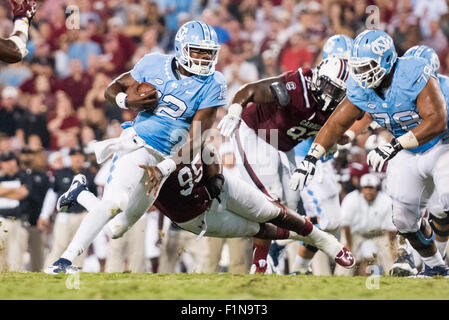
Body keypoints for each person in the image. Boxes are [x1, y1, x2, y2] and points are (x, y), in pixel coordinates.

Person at [45, 21, 227, 274]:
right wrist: (126, 100)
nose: (205, 57)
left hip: (165, 158)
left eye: (209, 52)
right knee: (114, 202)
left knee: (117, 229)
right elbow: (113, 88)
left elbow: (197, 138)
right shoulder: (154, 63)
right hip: (138, 144)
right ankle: (63, 262)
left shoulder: (213, 82)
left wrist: (164, 168)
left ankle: (81, 193)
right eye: (198, 50)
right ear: (181, 48)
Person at [291, 30, 449, 277]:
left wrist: (394, 145)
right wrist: (311, 158)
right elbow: (335, 123)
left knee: (446, 199)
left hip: (441, 144)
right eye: (358, 68)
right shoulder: (363, 87)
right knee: (405, 220)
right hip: (408, 150)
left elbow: (437, 121)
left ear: (387, 60)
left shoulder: (413, 72)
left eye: (367, 67)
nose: (362, 74)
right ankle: (435, 266)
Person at [217, 56, 349, 273]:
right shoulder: (297, 86)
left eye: (336, 91)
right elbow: (250, 89)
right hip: (255, 133)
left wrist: (334, 139)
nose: (329, 95)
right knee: (270, 197)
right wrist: (233, 112)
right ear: (318, 79)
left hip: (282, 146)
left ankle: (274, 257)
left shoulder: (336, 107)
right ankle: (261, 263)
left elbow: (339, 130)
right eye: (328, 87)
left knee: (289, 204)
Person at [145, 143, 355, 271]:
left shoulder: (179, 131)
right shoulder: (141, 166)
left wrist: (216, 177)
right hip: (195, 216)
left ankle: (327, 242)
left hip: (218, 187)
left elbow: (207, 149)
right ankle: (303, 236)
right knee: (256, 229)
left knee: (269, 211)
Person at [291, 34, 353, 275]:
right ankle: (279, 247)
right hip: (304, 158)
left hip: (323, 161)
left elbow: (336, 128)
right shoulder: (316, 87)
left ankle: (299, 269)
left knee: (332, 223)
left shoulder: (347, 92)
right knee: (321, 220)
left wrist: (344, 135)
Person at [39, 148, 97, 269]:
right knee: (59, 245)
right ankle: (48, 270)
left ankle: (76, 274)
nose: (77, 159)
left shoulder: (90, 175)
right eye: (74, 156)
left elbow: (95, 198)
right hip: (64, 215)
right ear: (69, 158)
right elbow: (52, 195)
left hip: (82, 215)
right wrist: (44, 215)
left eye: (79, 156)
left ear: (83, 158)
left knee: (80, 247)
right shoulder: (60, 173)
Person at [336, 173, 397, 276]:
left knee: (391, 258)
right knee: (345, 259)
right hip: (355, 234)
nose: (368, 191)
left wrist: (392, 248)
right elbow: (346, 224)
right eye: (365, 188)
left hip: (380, 235)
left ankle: (394, 277)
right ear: (361, 189)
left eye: (371, 188)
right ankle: (340, 278)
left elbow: (390, 228)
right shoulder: (351, 199)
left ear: (376, 188)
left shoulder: (386, 200)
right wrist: (349, 245)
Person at [0, 151, 31, 271]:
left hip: (19, 220)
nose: (7, 164)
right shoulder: (1, 176)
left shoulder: (24, 176)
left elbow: (23, 194)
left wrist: (3, 192)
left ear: (15, 162)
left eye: (9, 161)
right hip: (1, 220)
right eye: (4, 162)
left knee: (16, 255)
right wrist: (15, 190)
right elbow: (19, 192)